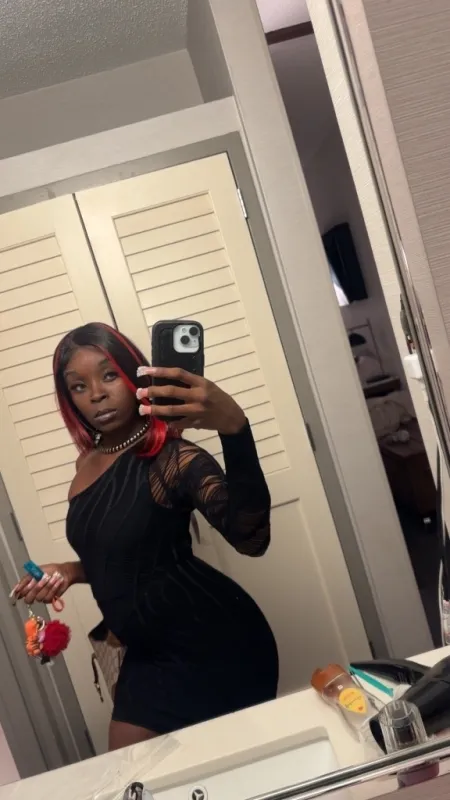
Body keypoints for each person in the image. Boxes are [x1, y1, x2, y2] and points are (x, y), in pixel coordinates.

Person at [13, 322, 278, 751]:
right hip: (147, 652)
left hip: (212, 642)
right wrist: (69, 571)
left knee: (235, 768)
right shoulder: (87, 463)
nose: (96, 394)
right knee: (137, 772)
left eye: (109, 375)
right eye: (78, 386)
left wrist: (235, 429)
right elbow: (127, 557)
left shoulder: (172, 458)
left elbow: (252, 539)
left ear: (136, 375)